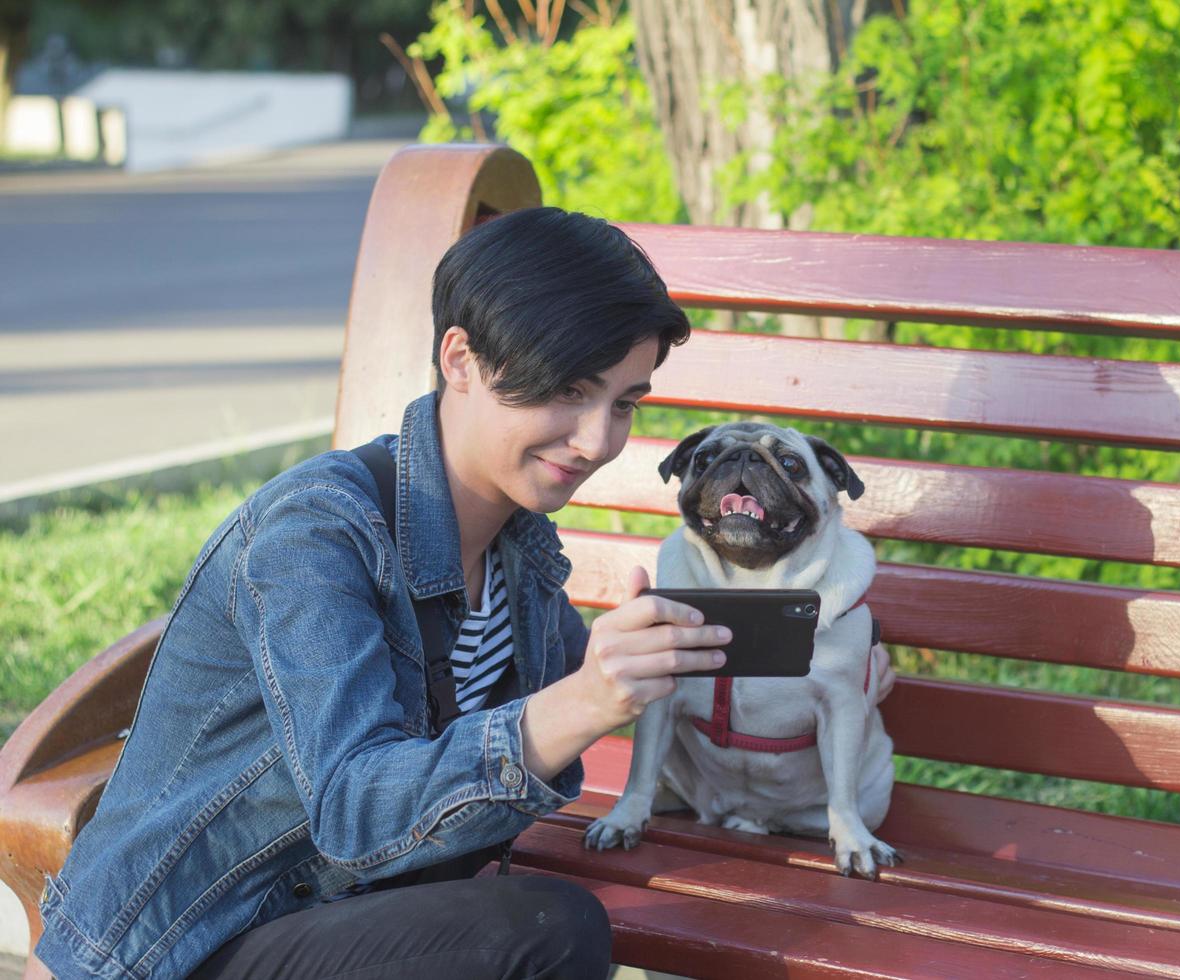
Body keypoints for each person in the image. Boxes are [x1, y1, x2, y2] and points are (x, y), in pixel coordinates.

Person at [35, 207, 895, 980]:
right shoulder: (314, 535)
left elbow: (573, 692)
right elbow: (357, 811)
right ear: (461, 359)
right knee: (546, 929)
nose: (598, 440)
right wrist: (588, 700)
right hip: (186, 945)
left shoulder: (520, 549)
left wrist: (812, 665)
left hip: (338, 911)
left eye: (624, 402)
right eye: (567, 390)